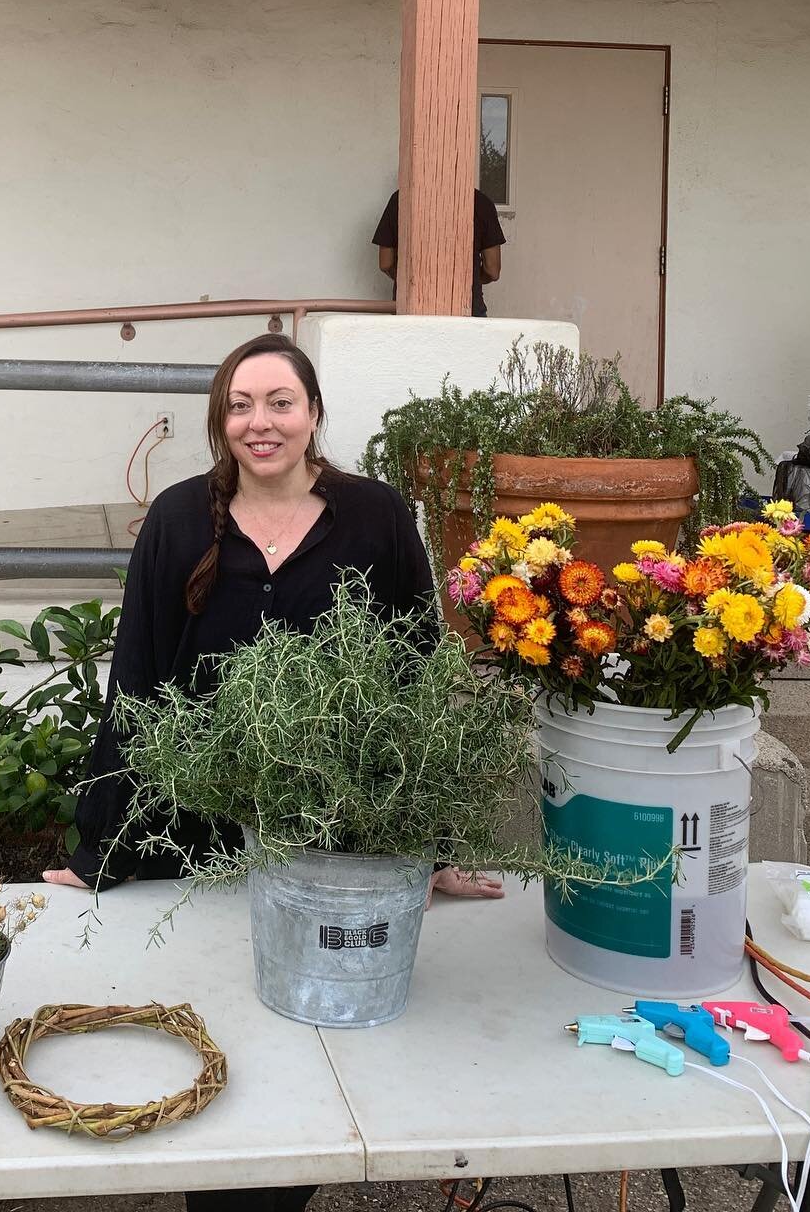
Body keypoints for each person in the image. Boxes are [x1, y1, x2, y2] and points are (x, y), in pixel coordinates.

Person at [42, 332, 500, 1212]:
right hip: (198, 836)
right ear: (222, 422)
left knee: (307, 1066)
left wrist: (429, 850)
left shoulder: (375, 517)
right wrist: (106, 846)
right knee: (218, 1053)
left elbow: (416, 678)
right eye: (241, 405)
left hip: (333, 831)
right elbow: (136, 683)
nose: (261, 422)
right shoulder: (179, 520)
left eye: (279, 402)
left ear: (315, 414)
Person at [373, 188, 505, 315]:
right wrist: (470, 280)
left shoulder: (400, 198)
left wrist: (409, 280)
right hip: (469, 308)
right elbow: (493, 270)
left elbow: (385, 263)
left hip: (411, 309)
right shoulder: (481, 202)